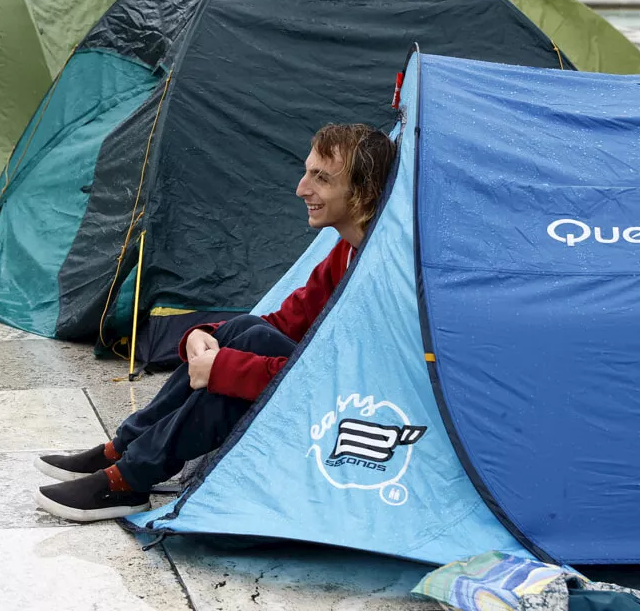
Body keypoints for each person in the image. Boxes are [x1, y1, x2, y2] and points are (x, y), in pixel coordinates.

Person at [33, 123, 398, 522]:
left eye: (321, 178)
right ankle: (124, 449)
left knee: (240, 362)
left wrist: (225, 368)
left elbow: (342, 379)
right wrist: (203, 336)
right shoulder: (346, 253)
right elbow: (283, 325)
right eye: (307, 171)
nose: (301, 188)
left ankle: (129, 478)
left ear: (362, 192)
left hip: (364, 414)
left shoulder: (383, 272)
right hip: (325, 390)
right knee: (246, 330)